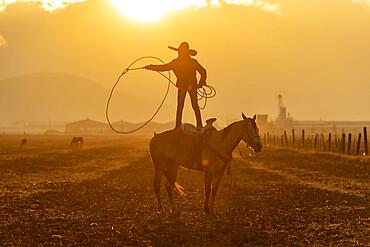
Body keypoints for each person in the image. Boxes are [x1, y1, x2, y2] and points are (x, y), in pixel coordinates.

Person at [145, 42, 207, 129]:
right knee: (192, 105)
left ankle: (180, 126)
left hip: (187, 86)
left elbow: (163, 67)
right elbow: (203, 72)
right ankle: (197, 125)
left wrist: (200, 83)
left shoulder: (178, 62)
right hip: (190, 86)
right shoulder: (189, 62)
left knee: (183, 105)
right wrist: (151, 67)